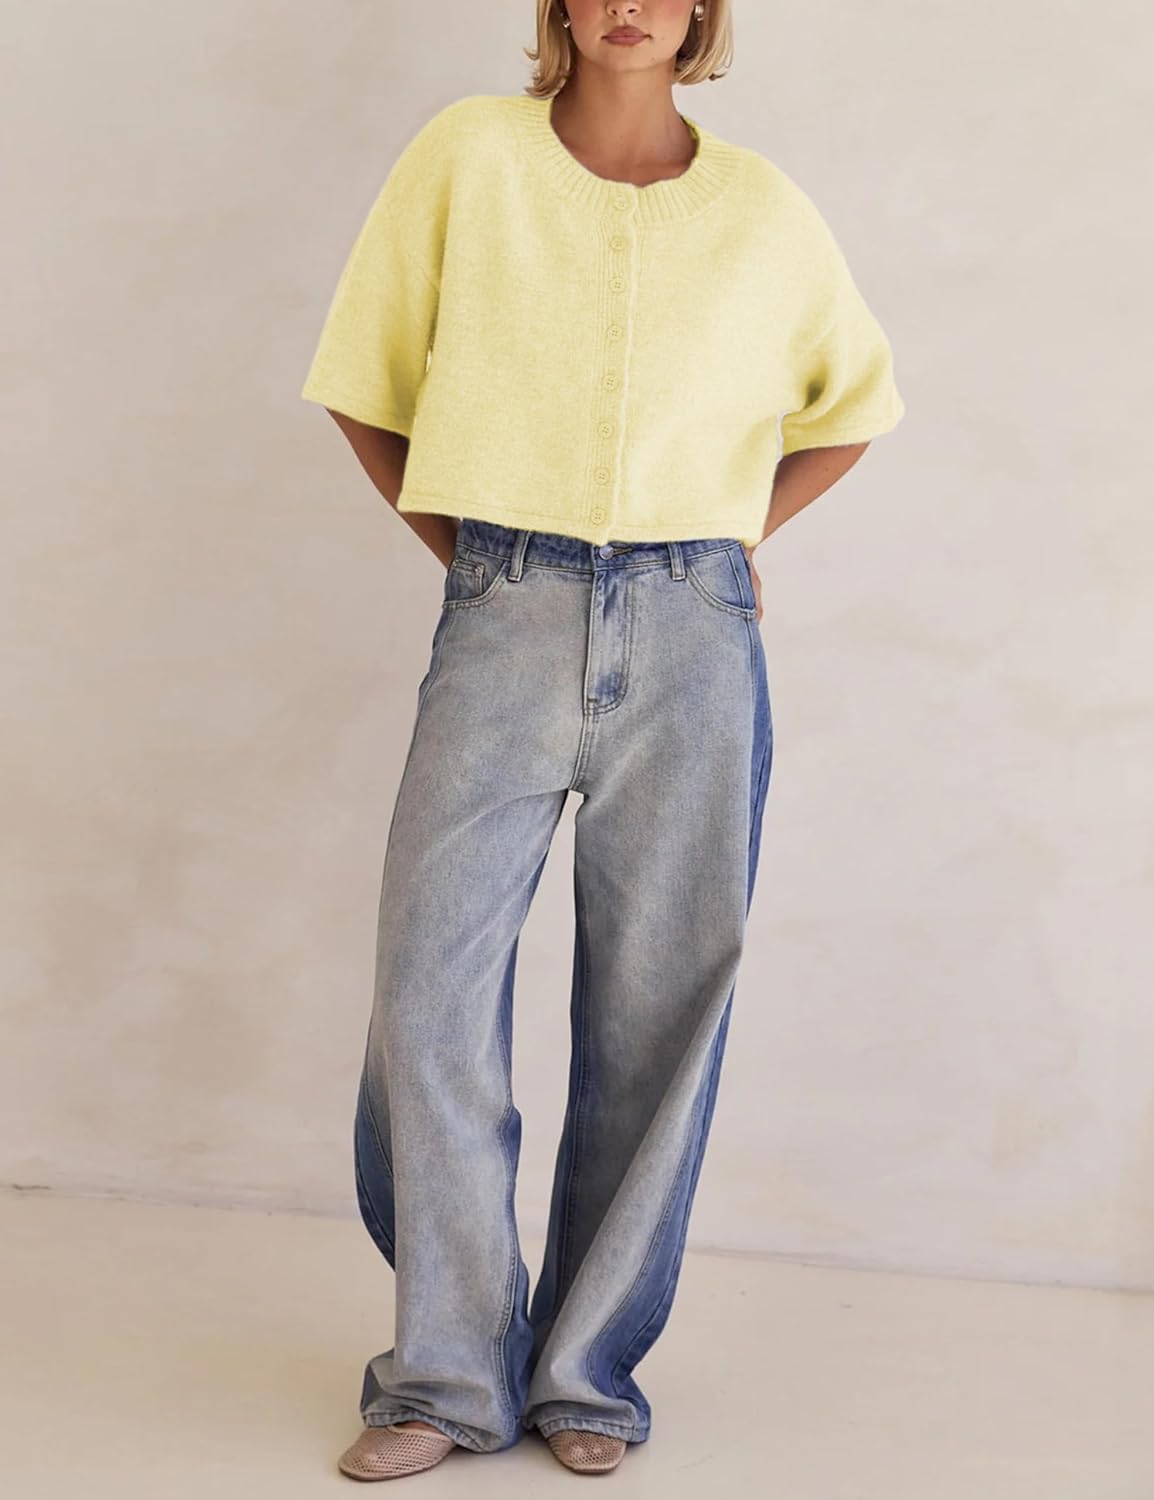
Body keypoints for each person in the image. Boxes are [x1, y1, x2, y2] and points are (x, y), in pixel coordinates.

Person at [300, 0, 904, 1481]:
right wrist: (474, 561)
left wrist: (733, 540)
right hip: (503, 607)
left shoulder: (761, 207)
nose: (629, 1)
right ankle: (445, 1373)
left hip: (698, 627)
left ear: (701, 13)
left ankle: (584, 1376)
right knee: (429, 995)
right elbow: (363, 380)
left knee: (660, 1007)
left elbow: (855, 403)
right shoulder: (469, 156)